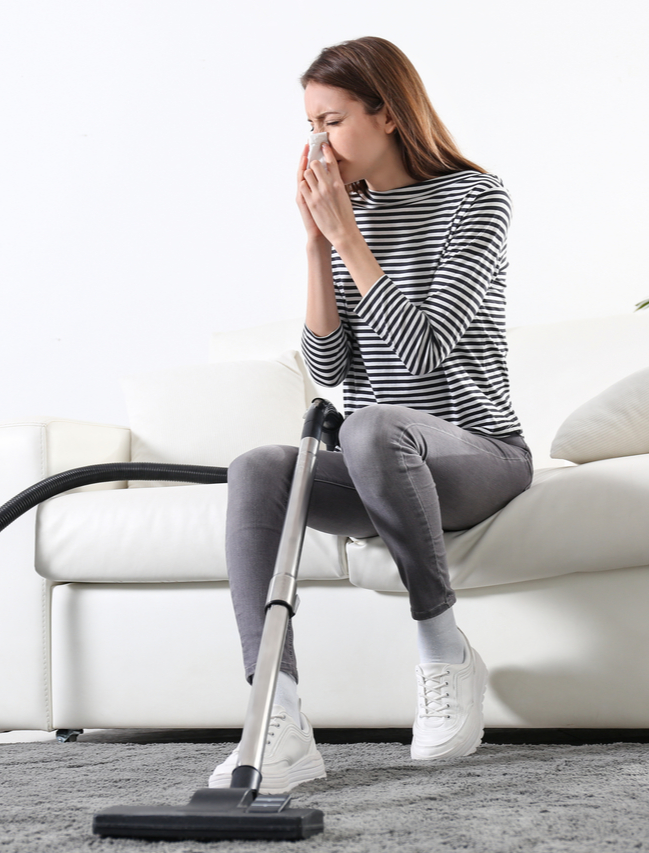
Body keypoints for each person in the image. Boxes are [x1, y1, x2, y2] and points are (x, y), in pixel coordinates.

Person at [210, 36, 533, 793]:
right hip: (373, 456)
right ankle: (275, 716)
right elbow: (328, 370)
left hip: (478, 454)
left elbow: (420, 353)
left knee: (372, 425)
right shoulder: (344, 217)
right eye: (310, 127)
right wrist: (318, 246)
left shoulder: (476, 200)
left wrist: (350, 237)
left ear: (386, 112)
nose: (317, 144)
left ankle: (442, 649)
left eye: (332, 121)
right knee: (258, 468)